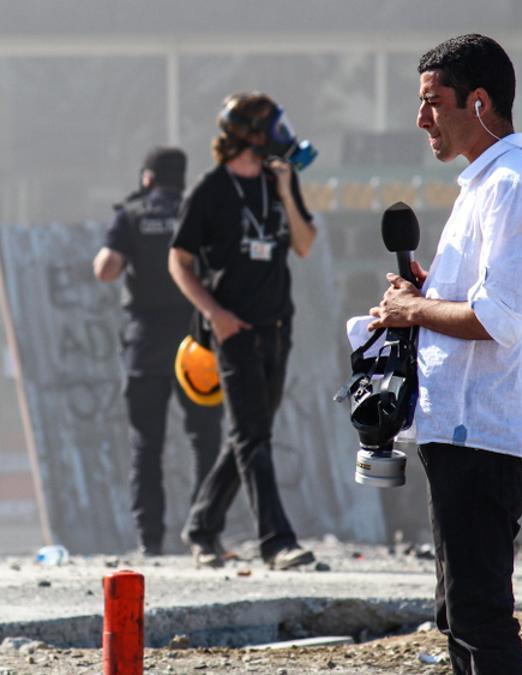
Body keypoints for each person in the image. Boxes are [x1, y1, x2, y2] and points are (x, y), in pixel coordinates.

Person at [363, 34, 522, 674]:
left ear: (479, 103)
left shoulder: (509, 186)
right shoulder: (483, 185)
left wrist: (411, 310)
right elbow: (474, 303)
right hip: (459, 431)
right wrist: (424, 295)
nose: (421, 119)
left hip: (483, 435)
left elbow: (495, 319)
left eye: (432, 103)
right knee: (461, 613)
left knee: (479, 616)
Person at [168, 92, 317, 570]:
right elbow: (179, 260)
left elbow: (305, 243)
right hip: (234, 332)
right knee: (253, 437)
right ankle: (277, 541)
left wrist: (287, 190)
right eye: (272, 127)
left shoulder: (278, 182)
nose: (281, 135)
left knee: (252, 434)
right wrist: (214, 314)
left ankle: (201, 525)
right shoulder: (210, 190)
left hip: (277, 325)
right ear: (250, 134)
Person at [93, 147, 224, 556]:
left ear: (147, 177)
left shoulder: (130, 213)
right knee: (205, 438)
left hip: (145, 343)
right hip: (196, 343)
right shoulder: (197, 209)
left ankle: (150, 541)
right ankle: (204, 533)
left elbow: (105, 269)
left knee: (146, 444)